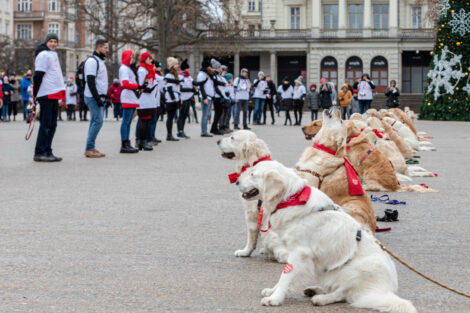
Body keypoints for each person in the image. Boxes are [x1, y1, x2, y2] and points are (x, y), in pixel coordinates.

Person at [32, 33, 65, 162]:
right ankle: (39, 152)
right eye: (51, 41)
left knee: (52, 125)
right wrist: (35, 94)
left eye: (55, 41)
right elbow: (38, 75)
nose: (53, 44)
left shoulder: (54, 54)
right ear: (46, 42)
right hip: (46, 93)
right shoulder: (43, 55)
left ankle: (48, 150)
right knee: (45, 125)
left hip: (54, 93)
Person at [83, 39, 109, 158]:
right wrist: (97, 98)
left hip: (99, 96)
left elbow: (101, 81)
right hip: (93, 97)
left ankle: (91, 147)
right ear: (99, 47)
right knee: (98, 121)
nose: (107, 50)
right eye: (105, 48)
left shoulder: (100, 61)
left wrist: (106, 96)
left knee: (95, 121)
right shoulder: (92, 61)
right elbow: (90, 80)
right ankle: (89, 148)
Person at [119, 49, 141, 153]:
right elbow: (125, 83)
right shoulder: (124, 68)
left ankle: (127, 142)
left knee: (128, 122)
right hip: (127, 95)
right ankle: (124, 143)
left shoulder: (129, 68)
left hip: (132, 96)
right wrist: (137, 86)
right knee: (126, 121)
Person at [136, 51, 158, 151]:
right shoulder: (142, 70)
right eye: (149, 59)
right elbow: (140, 85)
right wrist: (147, 88)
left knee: (147, 120)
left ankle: (143, 141)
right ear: (145, 59)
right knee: (144, 120)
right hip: (144, 98)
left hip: (149, 99)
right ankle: (142, 141)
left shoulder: (148, 69)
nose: (151, 60)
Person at [195, 57, 215, 137]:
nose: (211, 68)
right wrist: (204, 98)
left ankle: (205, 130)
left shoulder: (207, 74)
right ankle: (204, 131)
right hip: (206, 97)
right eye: (209, 66)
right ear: (207, 67)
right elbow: (201, 86)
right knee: (205, 115)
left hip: (210, 96)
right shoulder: (201, 75)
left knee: (207, 114)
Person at [164, 57, 182, 141]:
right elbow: (169, 88)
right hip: (171, 98)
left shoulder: (175, 75)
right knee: (170, 117)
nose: (177, 65)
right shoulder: (168, 75)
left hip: (175, 97)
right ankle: (169, 134)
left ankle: (170, 134)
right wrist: (174, 99)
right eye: (176, 64)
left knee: (172, 116)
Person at [178, 59, 194, 139]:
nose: (189, 69)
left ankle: (182, 130)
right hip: (182, 98)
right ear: (185, 69)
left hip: (188, 98)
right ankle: (179, 131)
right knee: (181, 115)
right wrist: (190, 90)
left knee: (185, 115)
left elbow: (194, 83)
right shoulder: (180, 76)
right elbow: (181, 88)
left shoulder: (189, 76)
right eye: (188, 68)